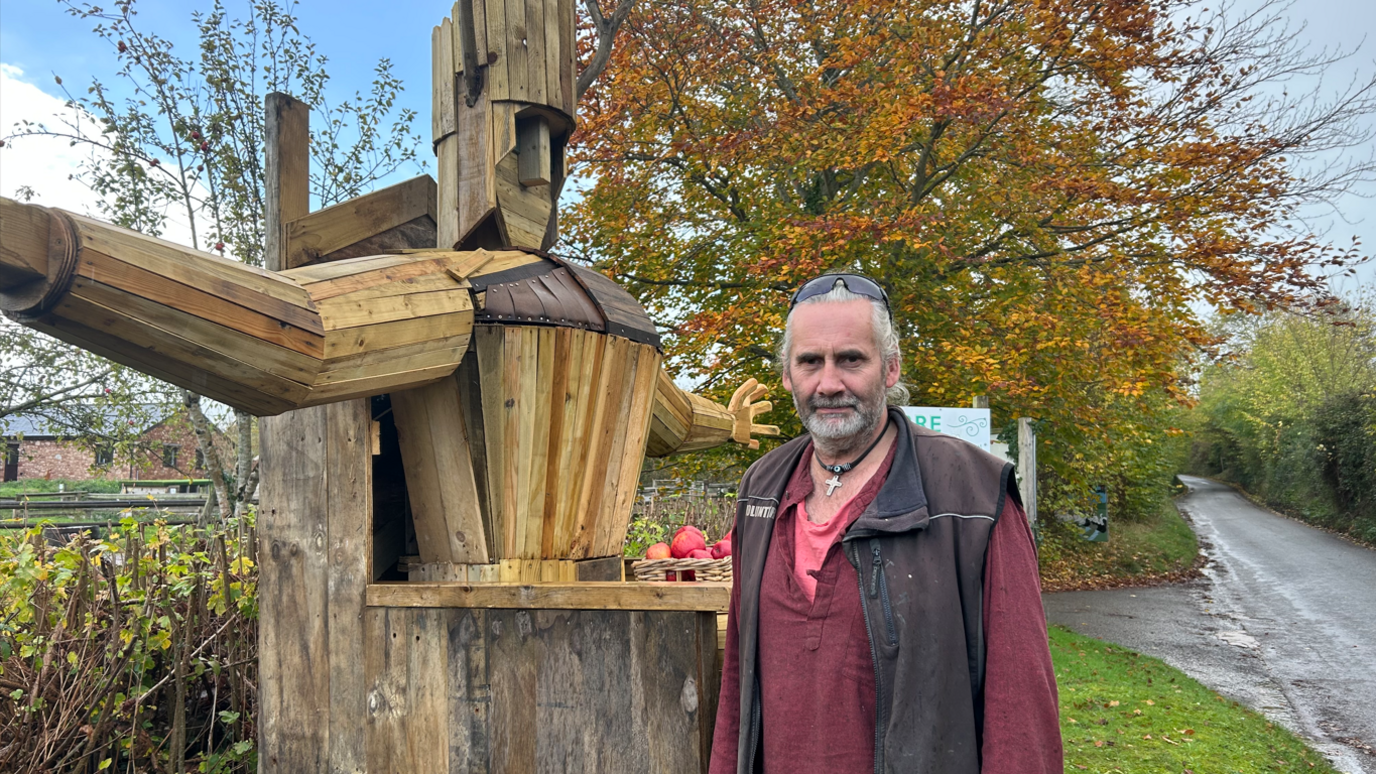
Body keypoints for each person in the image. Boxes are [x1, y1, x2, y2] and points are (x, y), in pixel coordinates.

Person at [709, 273, 1063, 774]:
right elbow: (738, 687)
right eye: (810, 361)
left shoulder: (973, 493)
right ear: (788, 374)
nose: (829, 383)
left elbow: (1020, 714)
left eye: (851, 359)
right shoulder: (762, 486)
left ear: (891, 368)